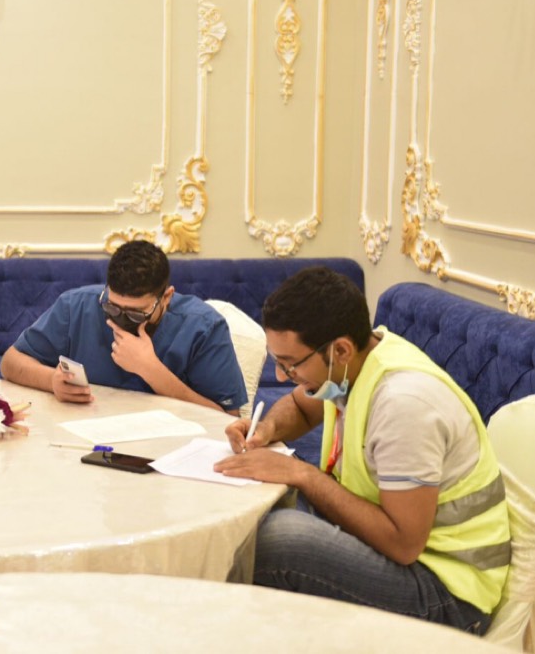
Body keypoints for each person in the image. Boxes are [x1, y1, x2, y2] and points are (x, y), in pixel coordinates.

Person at [215, 267, 509, 635]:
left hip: (447, 592)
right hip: (407, 554)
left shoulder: (404, 405)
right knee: (262, 507)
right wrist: (267, 429)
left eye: (290, 364)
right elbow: (301, 407)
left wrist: (303, 475)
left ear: (340, 349)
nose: (280, 376)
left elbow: (403, 544)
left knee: (279, 539)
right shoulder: (356, 361)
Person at [0, 240, 247, 414]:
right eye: (114, 308)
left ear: (166, 298)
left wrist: (152, 371)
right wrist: (52, 381)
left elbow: (228, 418)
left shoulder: (204, 327)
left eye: (137, 313)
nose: (122, 320)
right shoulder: (77, 306)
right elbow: (11, 362)